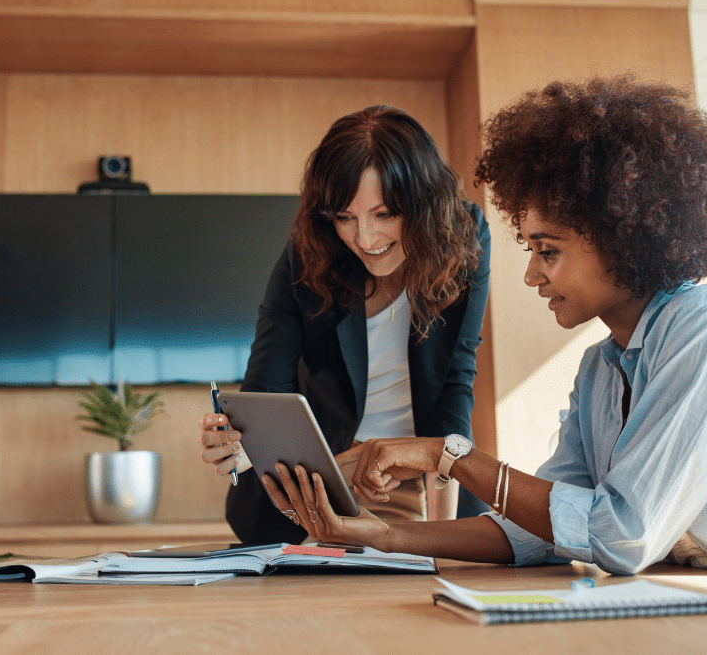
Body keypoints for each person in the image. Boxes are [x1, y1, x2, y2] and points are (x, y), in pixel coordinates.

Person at [261, 77, 707, 583]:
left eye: (547, 251)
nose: (531, 274)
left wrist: (449, 455)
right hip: (689, 592)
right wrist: (383, 537)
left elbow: (620, 534)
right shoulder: (601, 370)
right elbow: (539, 530)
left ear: (621, 235)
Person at [197, 105, 491, 545]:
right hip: (319, 487)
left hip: (426, 482)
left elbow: (454, 384)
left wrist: (442, 537)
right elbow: (266, 390)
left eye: (385, 214)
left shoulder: (463, 238)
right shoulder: (308, 253)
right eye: (345, 218)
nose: (366, 240)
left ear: (425, 204)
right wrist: (238, 445)